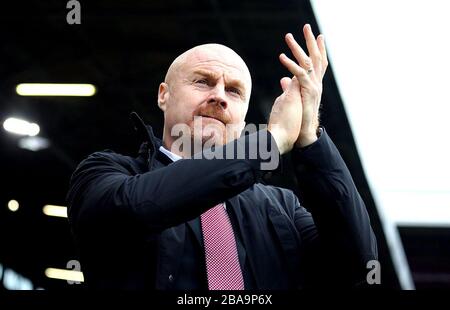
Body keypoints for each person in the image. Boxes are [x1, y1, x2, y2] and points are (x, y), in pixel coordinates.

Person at [67, 24, 377, 289]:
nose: (219, 96)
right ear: (164, 94)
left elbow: (358, 265)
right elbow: (133, 209)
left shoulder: (283, 208)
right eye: (202, 81)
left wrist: (310, 134)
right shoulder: (105, 172)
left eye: (234, 91)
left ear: (243, 117)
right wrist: (269, 143)